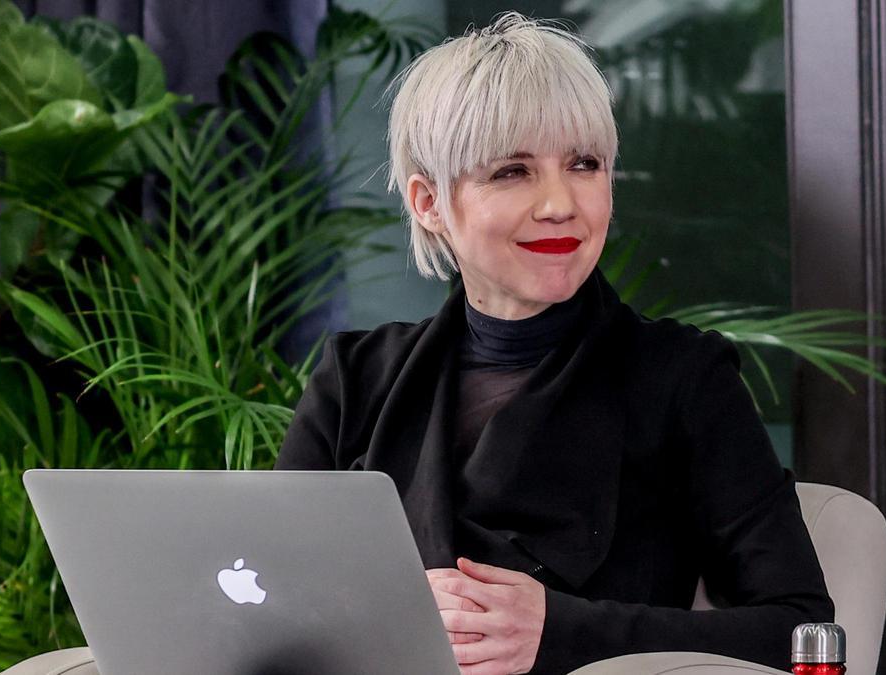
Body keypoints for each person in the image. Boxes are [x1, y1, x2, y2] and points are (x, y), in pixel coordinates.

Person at [275, 12, 833, 675]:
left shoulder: (683, 379)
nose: (560, 203)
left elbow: (802, 627)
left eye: (584, 164)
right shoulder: (354, 379)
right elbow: (268, 602)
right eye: (513, 171)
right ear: (429, 202)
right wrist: (388, 615)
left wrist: (563, 629)